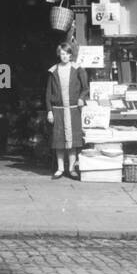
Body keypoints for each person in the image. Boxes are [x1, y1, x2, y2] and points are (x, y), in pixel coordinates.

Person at [45, 43, 89, 178]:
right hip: (58, 110)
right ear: (59, 55)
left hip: (73, 110)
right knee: (59, 141)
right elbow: (48, 93)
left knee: (73, 142)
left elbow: (85, 87)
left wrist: (81, 98)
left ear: (71, 55)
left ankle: (71, 169)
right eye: (62, 54)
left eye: (67, 54)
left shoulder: (78, 69)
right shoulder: (53, 71)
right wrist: (49, 111)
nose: (64, 56)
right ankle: (60, 169)